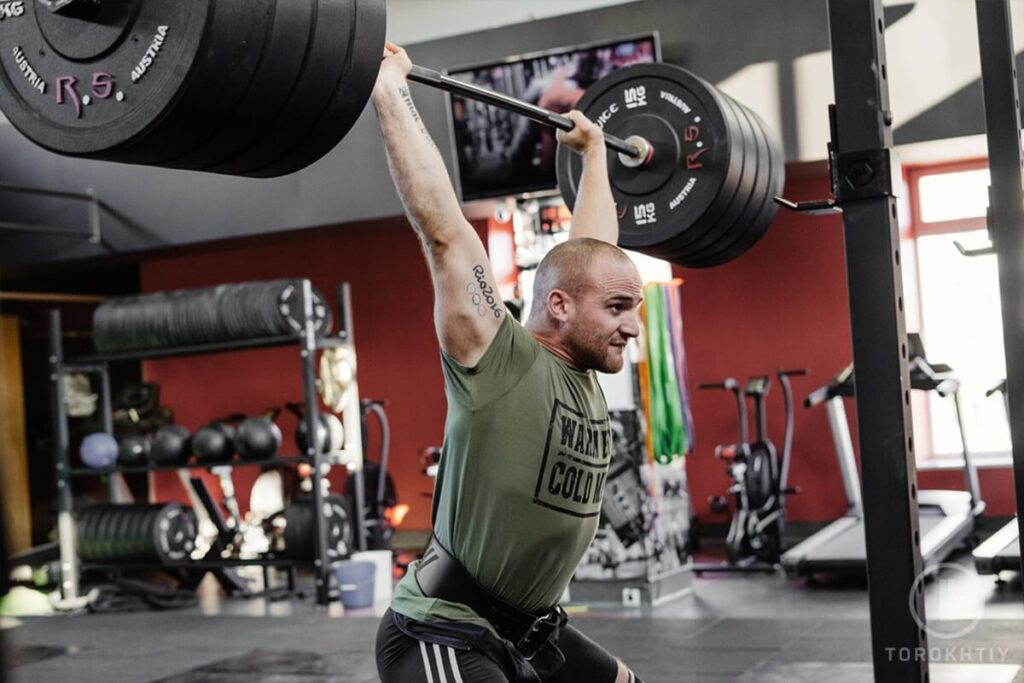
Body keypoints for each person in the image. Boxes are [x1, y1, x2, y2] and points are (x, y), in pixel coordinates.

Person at [371, 42, 646, 683]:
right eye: (618, 308)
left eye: (633, 306)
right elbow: (444, 230)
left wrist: (597, 154)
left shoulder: (579, 368)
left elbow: (594, 252)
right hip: (444, 629)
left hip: (532, 630)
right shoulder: (499, 360)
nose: (633, 325)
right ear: (559, 306)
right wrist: (390, 90)